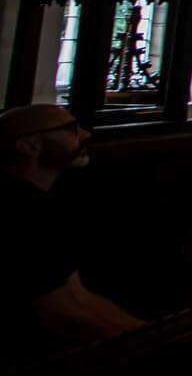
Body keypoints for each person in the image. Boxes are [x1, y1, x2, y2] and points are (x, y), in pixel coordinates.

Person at [1, 105, 144, 348]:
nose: (85, 134)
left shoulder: (41, 205)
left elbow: (79, 297)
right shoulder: (19, 214)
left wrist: (151, 333)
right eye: (71, 130)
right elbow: (62, 316)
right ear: (28, 145)